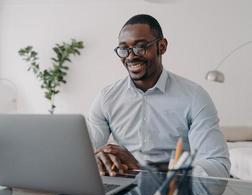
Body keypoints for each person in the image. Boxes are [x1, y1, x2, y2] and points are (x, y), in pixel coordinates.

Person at [87, 14, 230, 178]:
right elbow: (85, 153)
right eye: (124, 49)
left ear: (161, 46)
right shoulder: (106, 97)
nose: (131, 56)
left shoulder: (194, 97)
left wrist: (144, 169)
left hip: (171, 188)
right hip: (122, 186)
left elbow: (217, 166)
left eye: (140, 47)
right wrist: (96, 158)